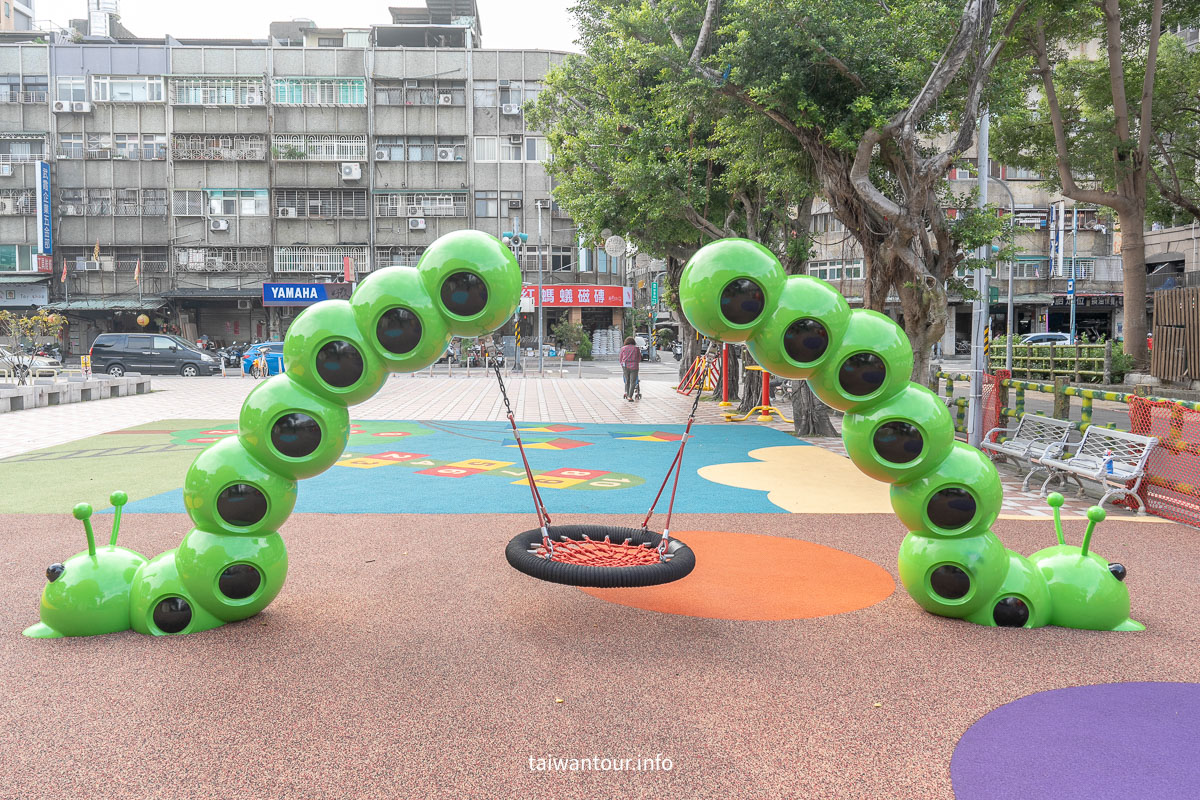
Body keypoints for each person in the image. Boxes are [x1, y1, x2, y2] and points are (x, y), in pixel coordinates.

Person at [619, 336, 640, 401]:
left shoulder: (623, 348)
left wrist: (622, 364)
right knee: (633, 382)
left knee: (627, 381)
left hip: (625, 366)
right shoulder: (636, 348)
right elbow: (639, 358)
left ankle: (627, 394)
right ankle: (630, 396)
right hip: (634, 366)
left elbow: (620, 358)